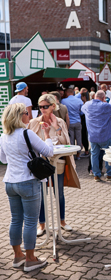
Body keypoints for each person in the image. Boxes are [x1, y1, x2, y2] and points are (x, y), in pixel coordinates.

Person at [0, 103, 53, 272]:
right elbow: (48, 151)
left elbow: (4, 159)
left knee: (16, 219)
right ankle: (30, 259)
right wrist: (47, 135)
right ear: (19, 116)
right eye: (26, 112)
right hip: (28, 181)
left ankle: (18, 256)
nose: (29, 115)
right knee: (31, 221)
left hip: (10, 181)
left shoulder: (3, 136)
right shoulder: (26, 133)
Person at [27, 94, 80, 236]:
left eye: (45, 106)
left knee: (59, 193)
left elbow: (65, 142)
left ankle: (62, 221)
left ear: (52, 106)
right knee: (42, 194)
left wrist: (56, 128)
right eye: (40, 107)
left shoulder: (60, 122)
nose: (43, 109)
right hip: (41, 163)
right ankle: (42, 224)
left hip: (58, 161)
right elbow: (30, 143)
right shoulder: (34, 122)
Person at [82, 90, 111, 182]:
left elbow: (82, 110)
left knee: (94, 155)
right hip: (104, 134)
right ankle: (110, 174)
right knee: (108, 153)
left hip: (92, 134)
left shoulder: (87, 104)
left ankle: (96, 175)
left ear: (95, 96)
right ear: (104, 98)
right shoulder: (105, 105)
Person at [61, 88, 83, 159]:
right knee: (79, 138)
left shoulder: (64, 101)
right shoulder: (79, 100)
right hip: (77, 121)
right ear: (73, 93)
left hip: (69, 122)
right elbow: (82, 112)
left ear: (67, 93)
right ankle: (78, 154)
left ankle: (72, 155)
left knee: (71, 139)